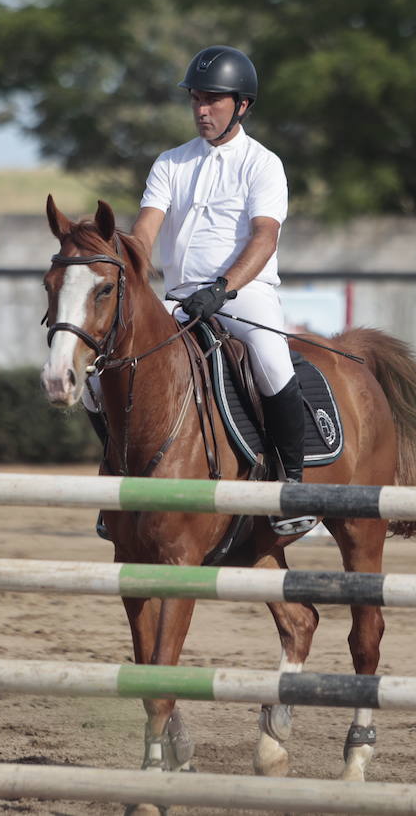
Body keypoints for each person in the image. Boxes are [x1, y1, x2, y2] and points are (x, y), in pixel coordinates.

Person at [94, 44, 315, 537]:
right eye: (196, 99)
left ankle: (291, 486)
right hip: (177, 298)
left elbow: (265, 236)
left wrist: (222, 288)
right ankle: (116, 479)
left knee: (271, 358)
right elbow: (145, 231)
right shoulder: (171, 163)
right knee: (97, 375)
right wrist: (126, 264)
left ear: (242, 105)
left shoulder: (263, 164)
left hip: (243, 293)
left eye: (213, 100)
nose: (201, 110)